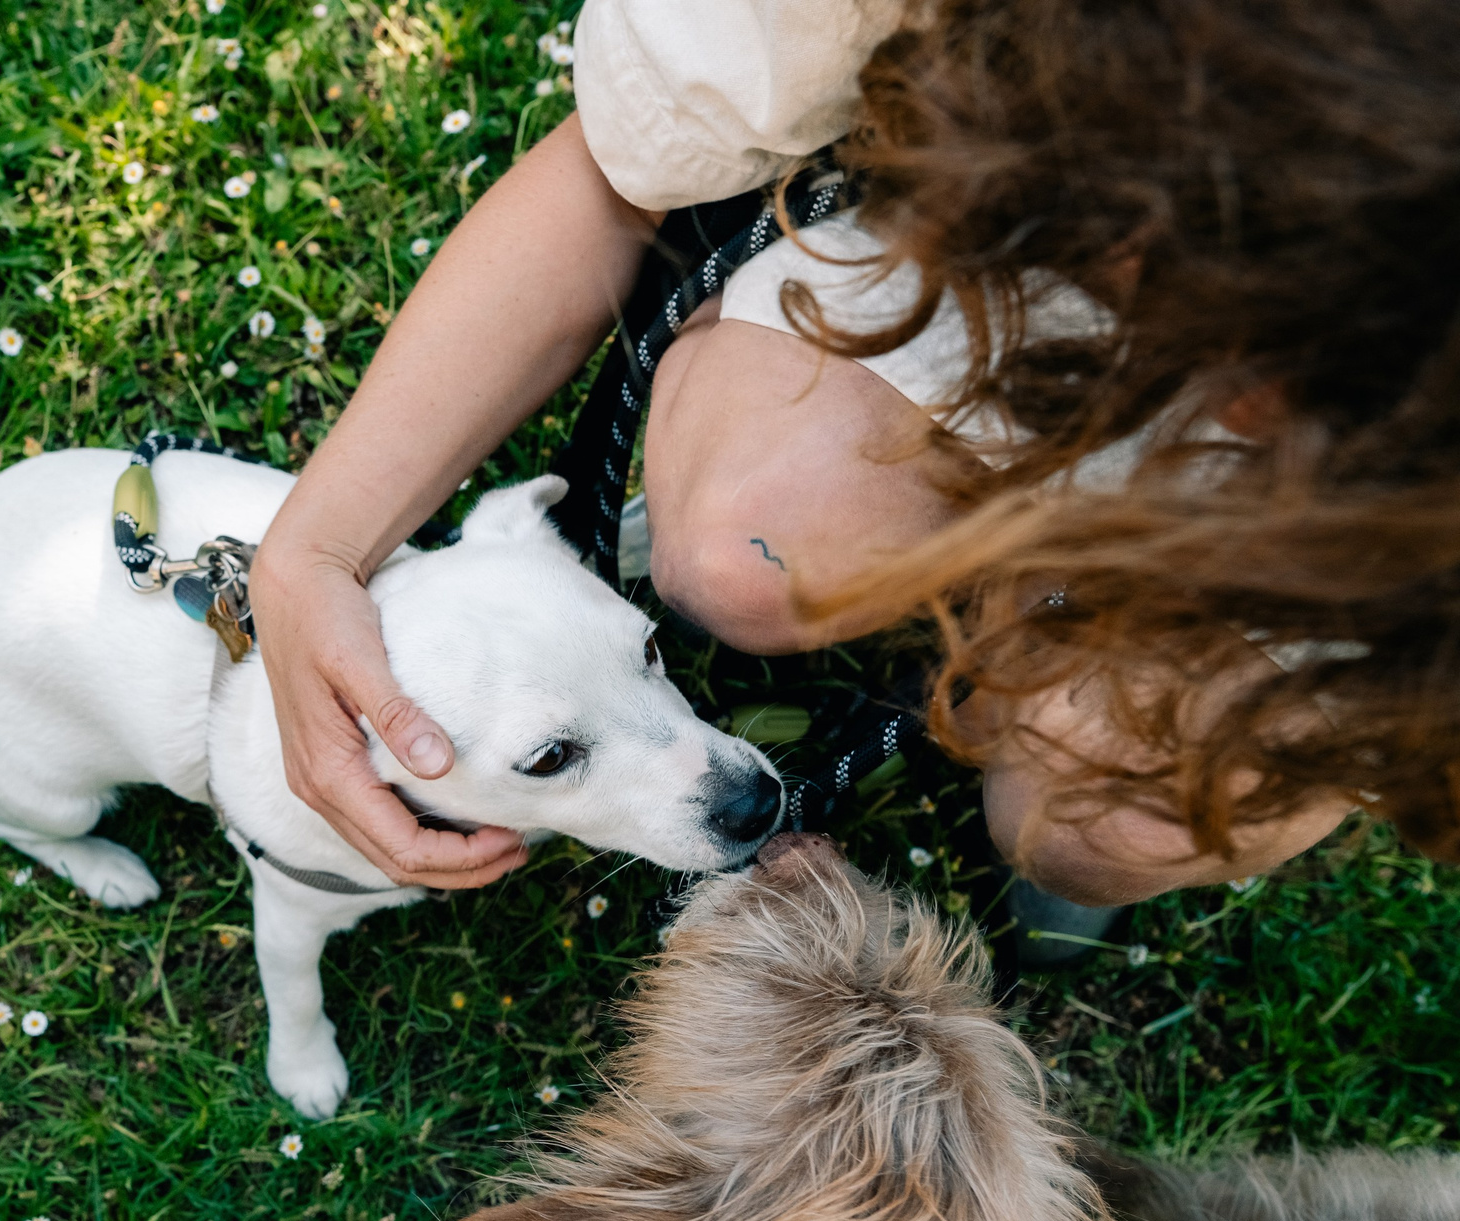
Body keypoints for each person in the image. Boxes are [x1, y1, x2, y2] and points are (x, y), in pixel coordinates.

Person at [249, 0, 1460, 920]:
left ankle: (1056, 766)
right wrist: (314, 550)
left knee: (1108, 824)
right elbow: (606, 185)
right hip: (1025, 254)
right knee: (746, 552)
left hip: (1384, 512)